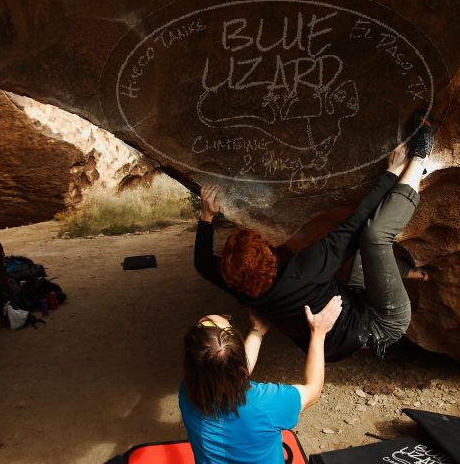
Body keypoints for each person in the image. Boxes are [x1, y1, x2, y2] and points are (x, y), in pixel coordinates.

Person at [194, 114, 435, 361]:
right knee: (373, 237)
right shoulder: (301, 270)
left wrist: (206, 219)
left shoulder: (241, 287)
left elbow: (202, 263)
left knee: (364, 246)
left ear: (229, 275)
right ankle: (420, 158)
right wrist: (392, 173)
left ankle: (410, 271)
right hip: (381, 324)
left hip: (344, 322)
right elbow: (351, 228)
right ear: (268, 253)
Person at [179, 296, 343, 464]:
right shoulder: (268, 403)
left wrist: (257, 331)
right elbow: (313, 389)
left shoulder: (188, 392)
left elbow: (227, 370)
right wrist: (319, 332)